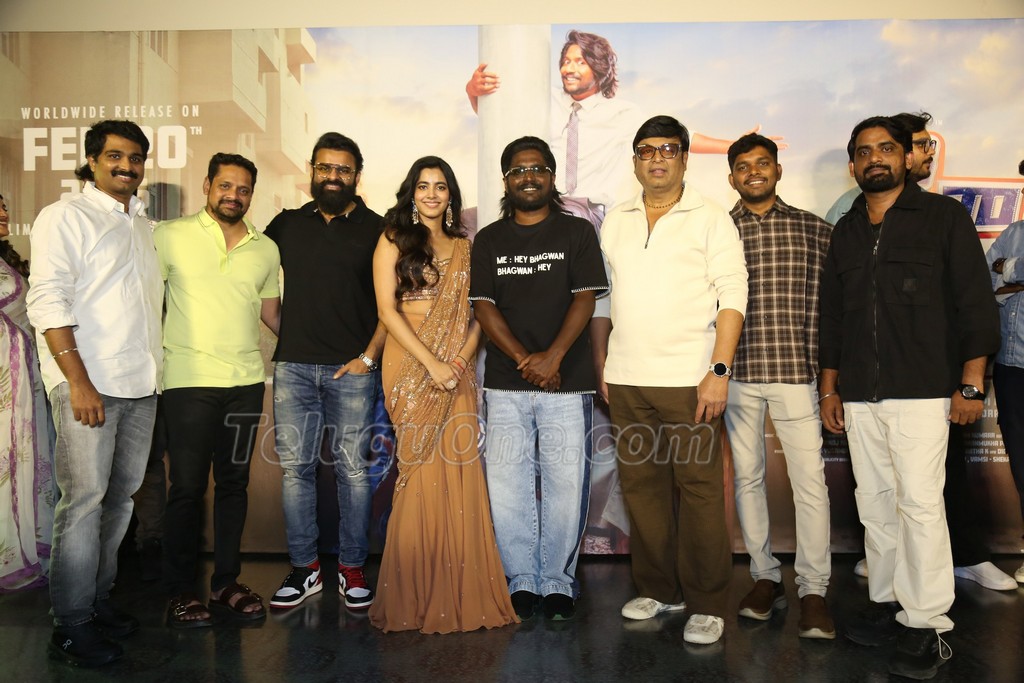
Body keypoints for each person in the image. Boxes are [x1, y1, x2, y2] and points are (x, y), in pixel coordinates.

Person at [819, 116, 1000, 679]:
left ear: (906, 157)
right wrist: (830, 386)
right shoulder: (846, 230)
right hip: (859, 393)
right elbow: (833, 318)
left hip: (924, 390)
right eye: (863, 151)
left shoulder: (943, 217)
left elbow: (975, 303)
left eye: (886, 149)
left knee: (920, 504)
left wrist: (971, 382)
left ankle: (926, 621)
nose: (875, 158)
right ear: (853, 164)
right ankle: (889, 600)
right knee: (875, 503)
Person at [599, 115, 747, 645]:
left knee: (700, 492)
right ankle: (660, 589)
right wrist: (604, 365)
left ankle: (707, 604)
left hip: (690, 380)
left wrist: (718, 371)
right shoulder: (615, 219)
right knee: (643, 491)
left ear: (684, 158)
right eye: (646, 150)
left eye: (667, 149)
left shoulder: (710, 216)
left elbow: (733, 292)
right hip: (627, 381)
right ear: (635, 160)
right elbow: (603, 300)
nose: (656, 158)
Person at [27, 119, 162, 666]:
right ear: (92, 160)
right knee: (83, 503)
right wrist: (78, 382)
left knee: (119, 501)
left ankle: (97, 601)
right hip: (90, 385)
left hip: (140, 384)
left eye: (135, 158)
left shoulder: (142, 225)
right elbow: (47, 301)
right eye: (115, 156)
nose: (126, 166)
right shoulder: (65, 217)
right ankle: (71, 625)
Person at [367, 156, 517, 633]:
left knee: (457, 469)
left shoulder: (467, 248)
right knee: (418, 473)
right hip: (409, 363)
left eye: (440, 186)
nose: (432, 194)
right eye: (423, 186)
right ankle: (412, 595)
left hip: (458, 369)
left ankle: (460, 593)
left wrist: (458, 361)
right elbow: (387, 311)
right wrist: (431, 364)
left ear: (451, 195)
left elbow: (480, 313)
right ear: (412, 192)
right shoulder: (393, 239)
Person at [470, 136, 608, 622]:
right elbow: (483, 306)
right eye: (518, 170)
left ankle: (557, 581)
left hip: (566, 381)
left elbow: (585, 298)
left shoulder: (577, 232)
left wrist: (553, 357)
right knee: (506, 485)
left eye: (537, 169)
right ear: (506, 180)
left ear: (551, 176)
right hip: (506, 382)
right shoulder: (489, 239)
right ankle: (522, 580)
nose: (528, 177)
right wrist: (525, 359)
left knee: (566, 484)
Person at [467, 30, 780, 224]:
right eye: (566, 61)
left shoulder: (621, 113)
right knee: (478, 222)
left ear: (598, 67)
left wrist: (735, 145)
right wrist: (473, 91)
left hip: (588, 213)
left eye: (580, 61)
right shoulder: (544, 100)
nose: (568, 68)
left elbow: (682, 136)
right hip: (545, 207)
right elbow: (500, 121)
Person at [155, 153, 280, 627]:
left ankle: (225, 583)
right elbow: (148, 303)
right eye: (225, 186)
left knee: (233, 485)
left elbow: (272, 315)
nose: (234, 195)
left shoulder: (265, 248)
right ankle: (179, 590)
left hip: (245, 383)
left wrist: (321, 348)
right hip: (188, 381)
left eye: (243, 189)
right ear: (207, 185)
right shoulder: (169, 236)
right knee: (186, 488)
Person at [266, 132, 385, 611]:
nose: (333, 176)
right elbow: (253, 281)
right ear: (312, 170)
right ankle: (306, 569)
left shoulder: (379, 229)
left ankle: (352, 568)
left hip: (353, 370)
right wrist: (293, 337)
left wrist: (368, 357)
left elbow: (392, 304)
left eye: (343, 169)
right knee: (296, 471)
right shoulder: (286, 225)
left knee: (354, 472)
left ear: (357, 176)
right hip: (293, 369)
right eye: (325, 167)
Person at [723, 133, 835, 639]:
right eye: (743, 166)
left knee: (809, 482)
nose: (754, 172)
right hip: (737, 374)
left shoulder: (815, 230)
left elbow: (834, 308)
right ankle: (765, 577)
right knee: (747, 479)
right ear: (731, 178)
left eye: (762, 163)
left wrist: (829, 376)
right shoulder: (718, 230)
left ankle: (814, 589)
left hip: (796, 372)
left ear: (778, 170)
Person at [0, 193, 54, 593]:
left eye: (4, 205)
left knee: (23, 458)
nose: (4, 213)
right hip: (7, 379)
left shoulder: (8, 261)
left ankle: (26, 546)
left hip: (24, 378)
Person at [985, 158, 1024, 586]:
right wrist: (1007, 276)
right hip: (1013, 366)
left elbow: (1002, 272)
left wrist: (1011, 270)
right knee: (1022, 460)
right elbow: (986, 280)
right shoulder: (1013, 232)